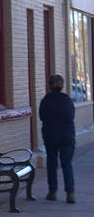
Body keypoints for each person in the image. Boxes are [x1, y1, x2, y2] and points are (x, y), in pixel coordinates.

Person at [38, 74, 76, 203]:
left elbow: (42, 116)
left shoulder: (46, 100)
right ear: (62, 86)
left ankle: (52, 191)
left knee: (52, 163)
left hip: (51, 135)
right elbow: (72, 115)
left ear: (49, 86)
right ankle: (70, 193)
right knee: (67, 163)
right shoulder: (67, 100)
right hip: (67, 135)